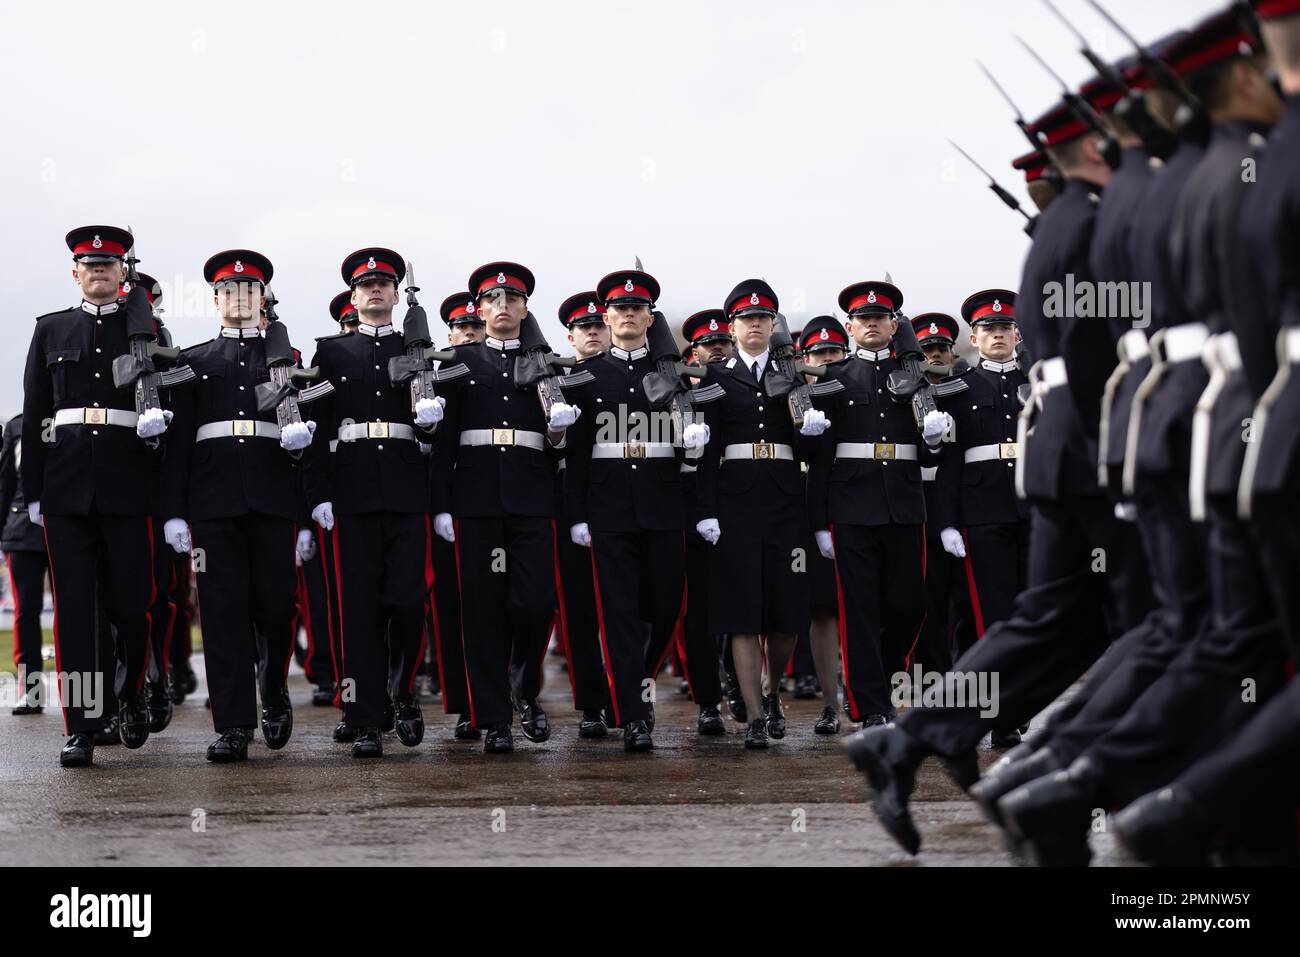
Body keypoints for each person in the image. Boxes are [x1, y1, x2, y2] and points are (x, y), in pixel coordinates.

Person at [22, 225, 178, 767]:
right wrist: (35, 491)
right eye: (89, 265)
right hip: (66, 488)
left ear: (123, 273)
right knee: (73, 613)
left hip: (129, 485)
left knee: (132, 607)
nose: (98, 272)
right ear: (75, 273)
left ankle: (131, 692)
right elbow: (38, 411)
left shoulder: (147, 331)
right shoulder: (50, 329)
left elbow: (168, 403)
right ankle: (82, 726)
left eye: (108, 265)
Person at [161, 249, 312, 762]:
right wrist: (175, 510)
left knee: (275, 607)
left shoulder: (289, 362)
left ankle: (273, 686)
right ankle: (232, 723)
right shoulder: (194, 361)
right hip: (213, 500)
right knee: (222, 613)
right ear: (217, 299)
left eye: (250, 290)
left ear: (262, 299)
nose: (240, 298)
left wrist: (307, 501)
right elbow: (178, 442)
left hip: (273, 499)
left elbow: (307, 447)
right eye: (231, 290)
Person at [305, 248, 442, 758]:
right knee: (358, 611)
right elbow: (315, 432)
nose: (376, 290)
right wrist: (317, 494)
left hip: (408, 490)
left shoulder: (420, 349)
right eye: (367, 285)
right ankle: (365, 716)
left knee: (408, 602)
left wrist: (432, 424)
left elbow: (440, 432)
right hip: (353, 491)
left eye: (385, 283)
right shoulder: (331, 353)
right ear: (355, 296)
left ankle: (403, 691)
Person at [431, 263, 572, 753]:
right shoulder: (457, 362)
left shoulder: (548, 363)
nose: (504, 306)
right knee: (482, 610)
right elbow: (442, 439)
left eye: (513, 299)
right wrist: (442, 504)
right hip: (475, 498)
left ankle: (522, 686)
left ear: (525, 308)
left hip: (531, 497)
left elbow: (559, 447)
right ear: (482, 308)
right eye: (494, 299)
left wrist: (559, 430)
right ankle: (493, 719)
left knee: (535, 603)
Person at [563, 269, 705, 752]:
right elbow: (576, 452)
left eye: (637, 309)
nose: (628, 316)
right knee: (619, 613)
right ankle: (634, 714)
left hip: (663, 504)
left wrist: (692, 446)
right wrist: (577, 513)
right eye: (620, 310)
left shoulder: (672, 374)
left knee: (664, 608)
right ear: (607, 317)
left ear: (649, 317)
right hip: (608, 509)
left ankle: (629, 678)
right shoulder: (585, 376)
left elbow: (692, 447)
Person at [693, 281, 830, 748]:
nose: (755, 324)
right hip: (735, 503)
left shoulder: (792, 372)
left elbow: (810, 445)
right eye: (746, 318)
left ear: (772, 325)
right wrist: (706, 509)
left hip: (786, 499)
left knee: (787, 613)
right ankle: (754, 715)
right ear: (732, 327)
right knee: (742, 614)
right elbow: (706, 450)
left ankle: (772, 692)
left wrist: (812, 432)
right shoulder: (715, 376)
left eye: (763, 318)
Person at [808, 279, 949, 731]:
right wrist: (819, 523)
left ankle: (884, 680)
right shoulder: (833, 379)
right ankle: (870, 704)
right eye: (863, 319)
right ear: (850, 326)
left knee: (909, 605)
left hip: (905, 504)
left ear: (893, 325)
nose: (872, 324)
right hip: (851, 505)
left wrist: (932, 441)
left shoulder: (917, 377)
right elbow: (820, 457)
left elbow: (931, 449)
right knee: (860, 608)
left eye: (880, 318)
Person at [554, 291, 616, 737]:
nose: (592, 332)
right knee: (579, 612)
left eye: (599, 326)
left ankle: (626, 693)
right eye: (583, 328)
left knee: (627, 608)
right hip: (565, 503)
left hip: (617, 505)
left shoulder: (625, 377)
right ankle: (592, 704)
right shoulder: (556, 378)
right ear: (570, 336)